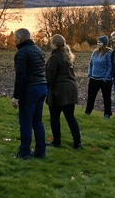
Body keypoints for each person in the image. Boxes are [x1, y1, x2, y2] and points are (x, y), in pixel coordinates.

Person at [11, 28, 47, 160]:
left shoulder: (22, 53)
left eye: (15, 37)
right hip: (42, 87)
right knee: (37, 121)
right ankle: (40, 151)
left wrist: (16, 96)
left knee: (25, 121)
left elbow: (21, 76)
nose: (14, 40)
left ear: (20, 39)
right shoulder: (39, 50)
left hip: (30, 89)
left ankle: (25, 151)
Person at [46, 35, 82, 149]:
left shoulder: (54, 57)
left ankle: (57, 142)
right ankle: (77, 143)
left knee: (55, 117)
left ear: (54, 44)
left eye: (51, 42)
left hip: (59, 90)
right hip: (71, 89)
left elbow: (50, 77)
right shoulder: (67, 56)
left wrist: (48, 88)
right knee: (70, 117)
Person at [85, 35, 113, 120]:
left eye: (100, 42)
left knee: (106, 98)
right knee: (91, 96)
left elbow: (111, 67)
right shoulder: (95, 52)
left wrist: (107, 77)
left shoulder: (109, 54)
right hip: (93, 79)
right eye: (97, 42)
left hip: (104, 80)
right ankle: (88, 112)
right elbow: (91, 64)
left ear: (104, 43)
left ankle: (107, 114)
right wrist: (90, 74)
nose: (98, 43)